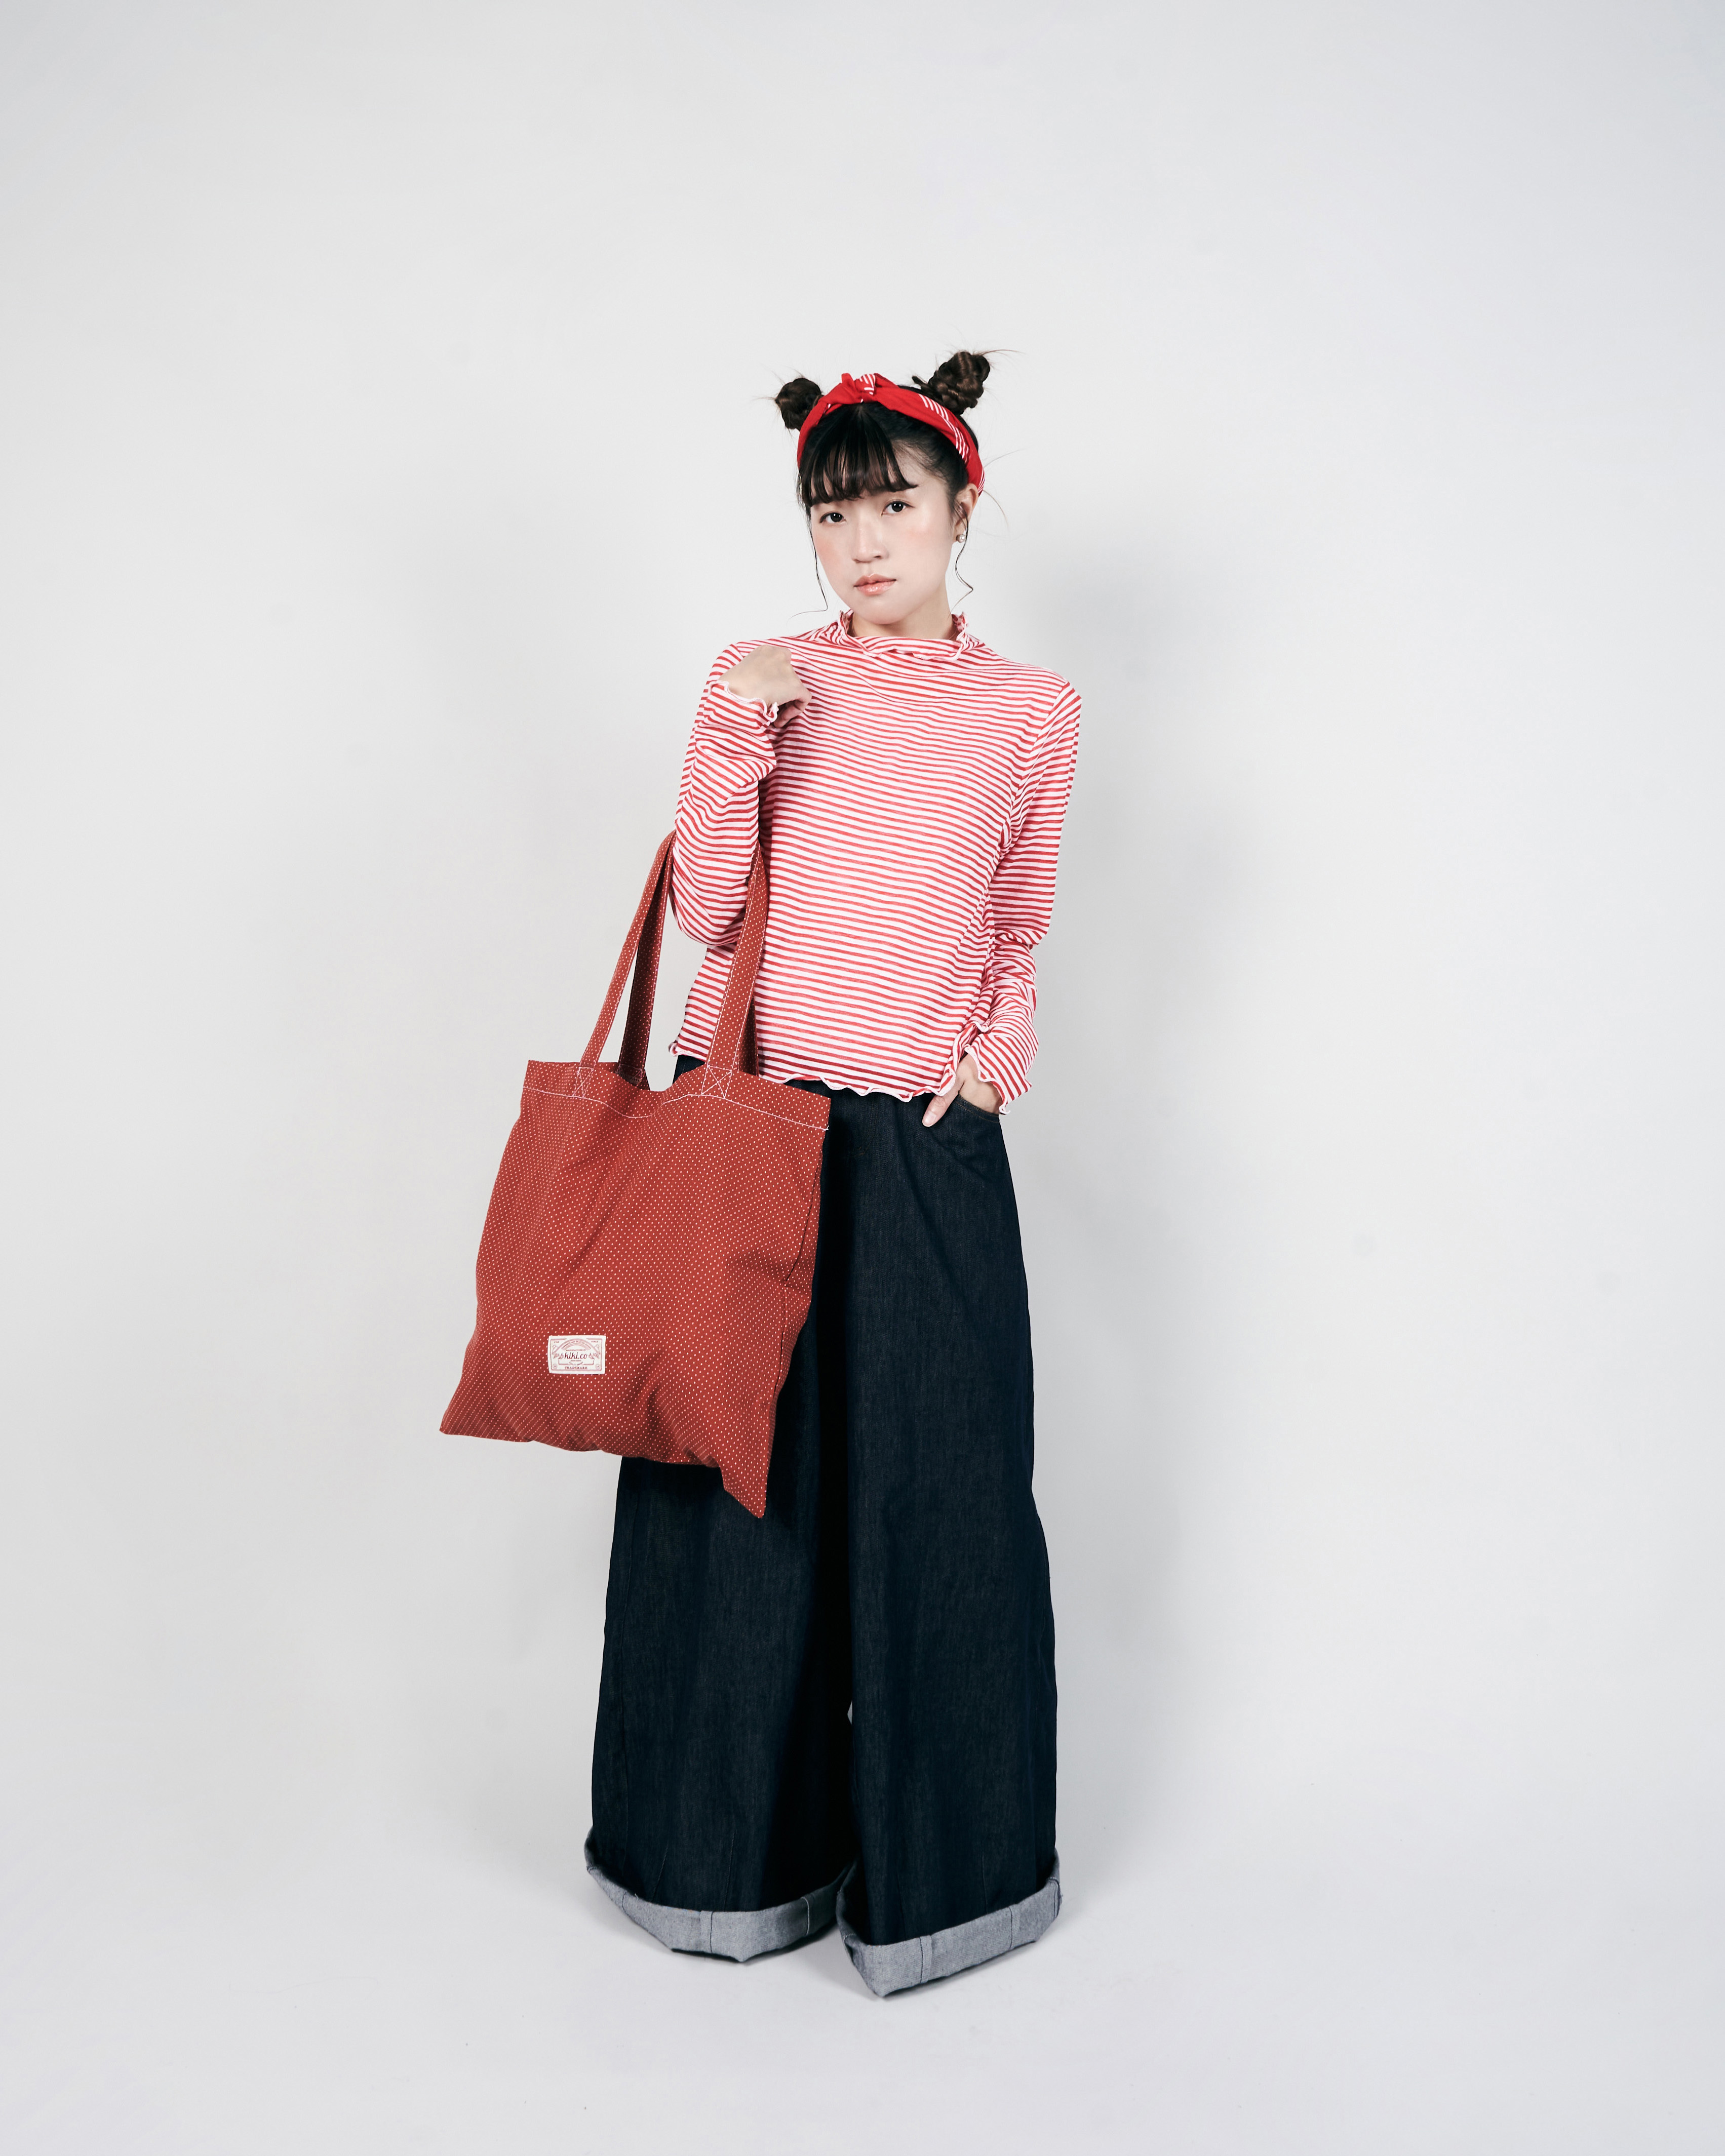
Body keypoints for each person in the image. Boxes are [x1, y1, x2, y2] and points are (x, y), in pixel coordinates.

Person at [583, 354, 1081, 1996]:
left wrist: (992, 1059)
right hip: (755, 1125)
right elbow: (712, 914)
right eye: (830, 512)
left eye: (892, 505)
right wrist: (735, 723)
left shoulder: (1034, 711)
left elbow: (1018, 919)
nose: (861, 542)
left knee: (947, 1499)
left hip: (927, 1139)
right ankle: (719, 1867)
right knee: (732, 1494)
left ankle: (951, 1887)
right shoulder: (771, 678)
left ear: (960, 504)